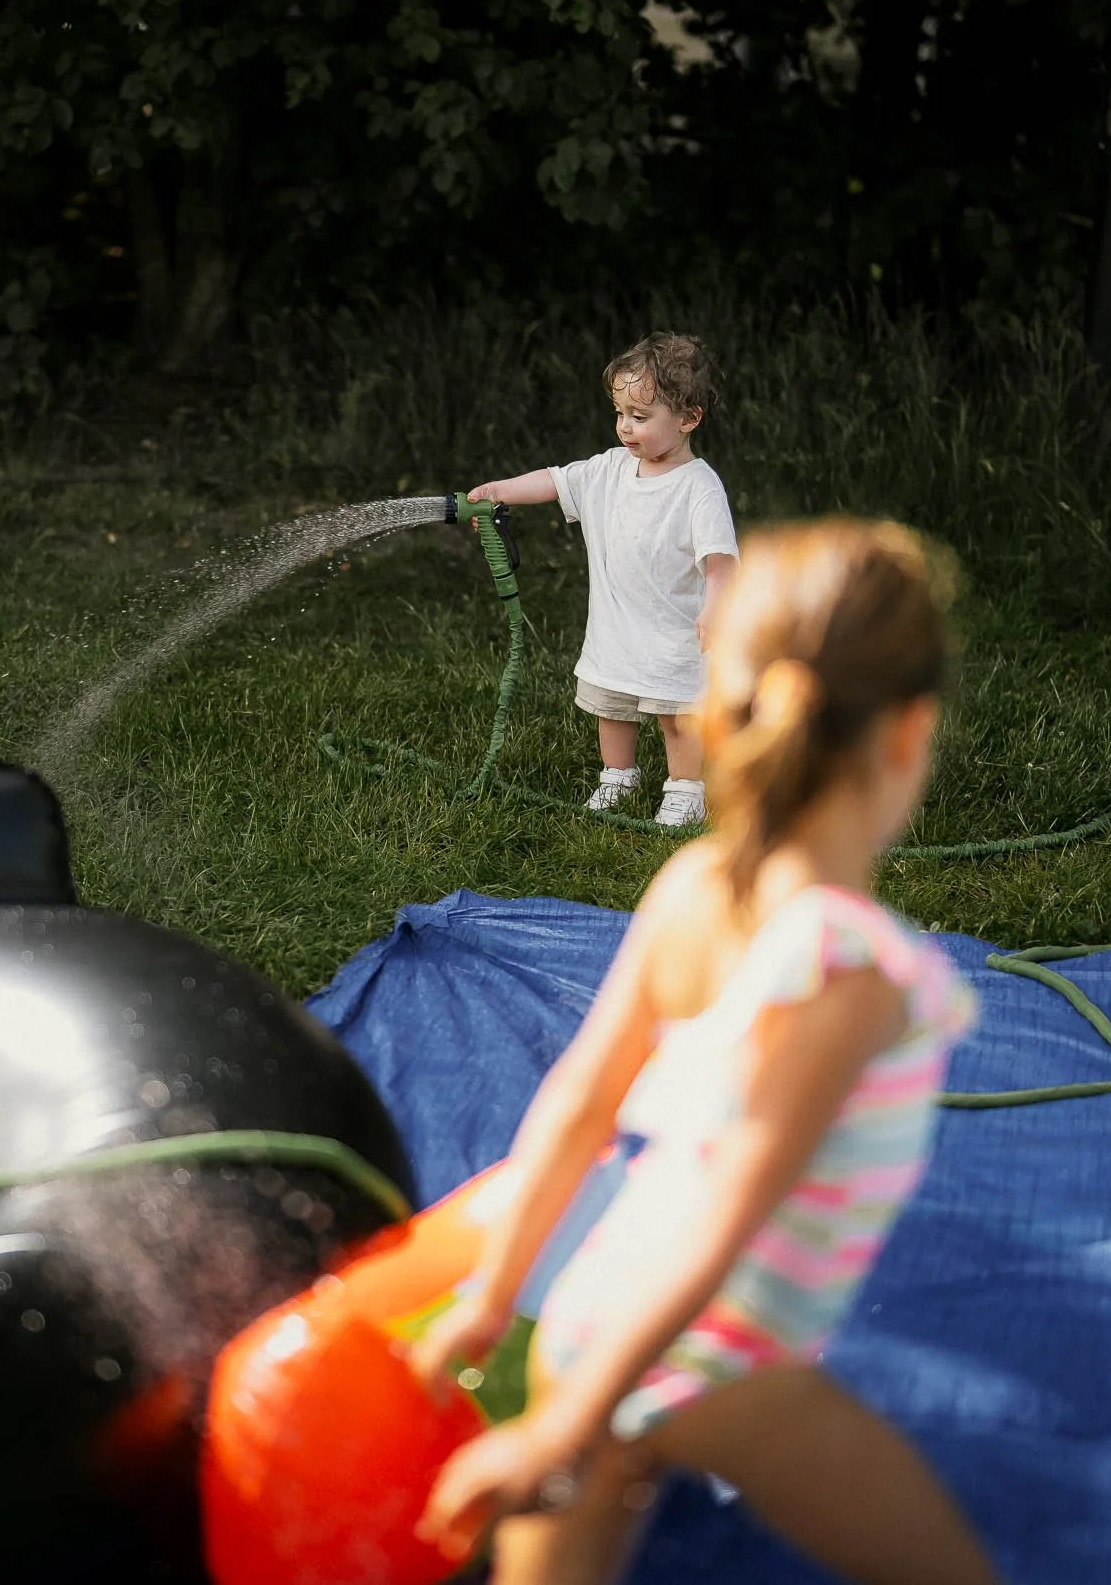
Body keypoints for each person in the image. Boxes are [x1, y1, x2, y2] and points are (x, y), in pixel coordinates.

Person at [405, 519, 994, 1585]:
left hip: (597, 1311)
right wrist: (570, 1421)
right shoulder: (848, 965)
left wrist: (496, 1294)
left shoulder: (692, 890)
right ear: (908, 734)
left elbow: (579, 1103)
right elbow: (732, 1212)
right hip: (716, 1361)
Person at [466, 332, 738, 829]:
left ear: (688, 419)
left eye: (640, 417)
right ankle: (617, 777)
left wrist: (716, 605)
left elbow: (720, 559)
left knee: (677, 715)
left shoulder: (698, 487)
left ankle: (684, 790)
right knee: (612, 707)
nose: (625, 429)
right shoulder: (610, 470)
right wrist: (500, 489)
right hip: (616, 627)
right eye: (620, 414)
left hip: (677, 632)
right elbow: (555, 480)